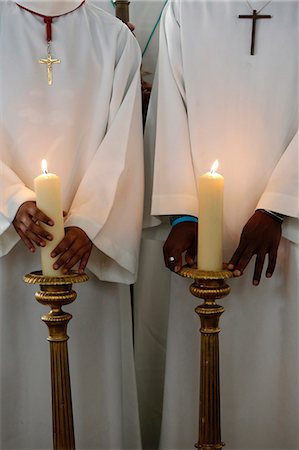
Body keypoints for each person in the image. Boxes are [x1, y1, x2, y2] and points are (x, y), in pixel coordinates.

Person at [134, 1, 298, 449]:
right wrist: (186, 212)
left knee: (280, 373)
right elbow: (169, 110)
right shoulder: (187, 8)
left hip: (287, 235)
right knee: (199, 369)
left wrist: (278, 206)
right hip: (201, 239)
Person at [0, 0, 144, 448]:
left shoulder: (115, 38)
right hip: (11, 248)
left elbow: (124, 141)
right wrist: (12, 203)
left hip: (85, 254)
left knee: (91, 386)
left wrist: (86, 223)